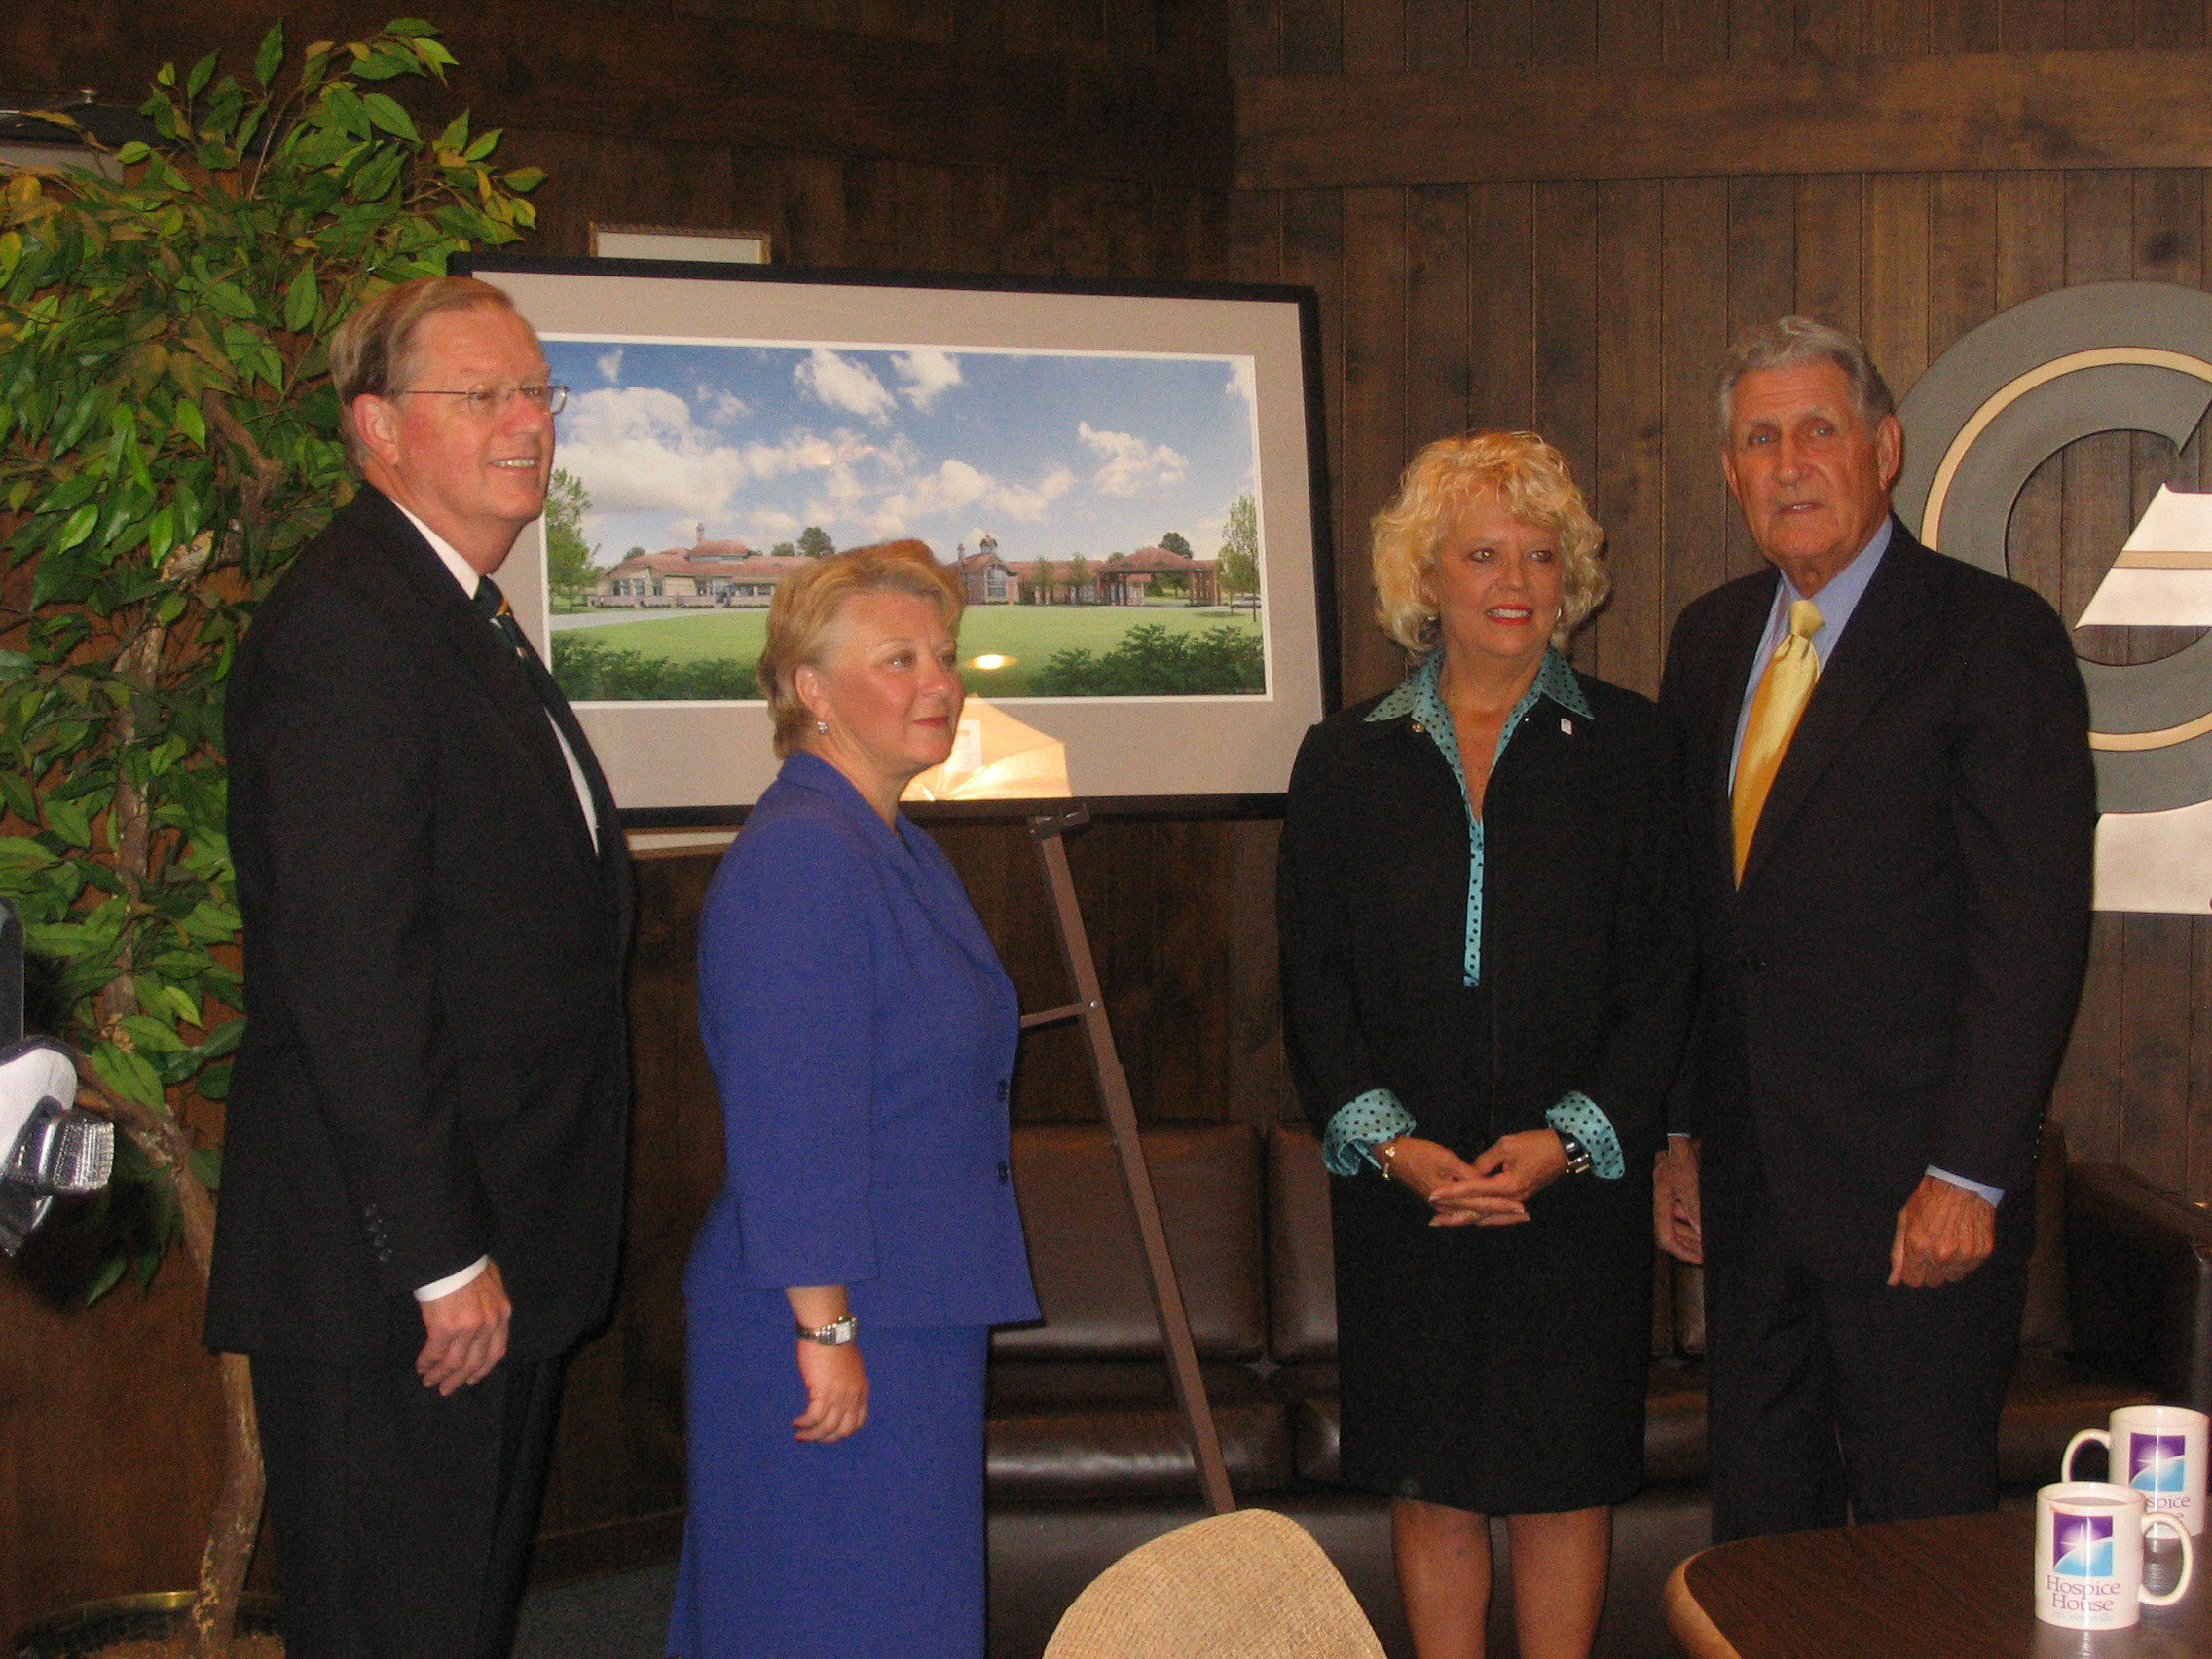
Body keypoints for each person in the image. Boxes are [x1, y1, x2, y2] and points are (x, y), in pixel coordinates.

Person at [206, 277, 633, 1656]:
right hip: (399, 1280)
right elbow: (352, 974)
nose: (528, 425)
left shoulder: (460, 613)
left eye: (538, 394)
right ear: (377, 428)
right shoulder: (349, 625)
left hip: (487, 1250)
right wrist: (444, 1258)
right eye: (485, 396)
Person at [1654, 316, 2096, 1541]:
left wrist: (1968, 1171)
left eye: (1817, 430)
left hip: (1915, 1201)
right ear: (1730, 472)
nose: (1788, 463)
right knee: (1762, 1532)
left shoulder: (1989, 639)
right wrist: (1682, 1128)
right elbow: (1703, 920)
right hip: (1747, 1193)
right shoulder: (1703, 642)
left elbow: (2031, 933)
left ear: (1883, 447)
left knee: (1918, 1540)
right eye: (1758, 439)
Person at [1278, 432, 1693, 1659]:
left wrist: (1569, 1141)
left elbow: (1664, 979)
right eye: (1481, 552)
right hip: (1404, 1192)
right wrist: (1392, 1147)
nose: (1515, 578)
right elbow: (1312, 987)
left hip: (1573, 1189)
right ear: (1427, 578)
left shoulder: (1636, 748)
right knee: (1432, 1482)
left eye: (1540, 553)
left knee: (1565, 1484)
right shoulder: (1342, 757)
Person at [669, 541, 1038, 1659]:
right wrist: (824, 1329)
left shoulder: (890, 841)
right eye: (900, 659)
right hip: (831, 1323)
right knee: (823, 1619)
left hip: (907, 1303)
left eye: (944, 654)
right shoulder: (805, 856)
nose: (940, 681)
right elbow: (790, 1122)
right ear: (811, 691)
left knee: (891, 1619)